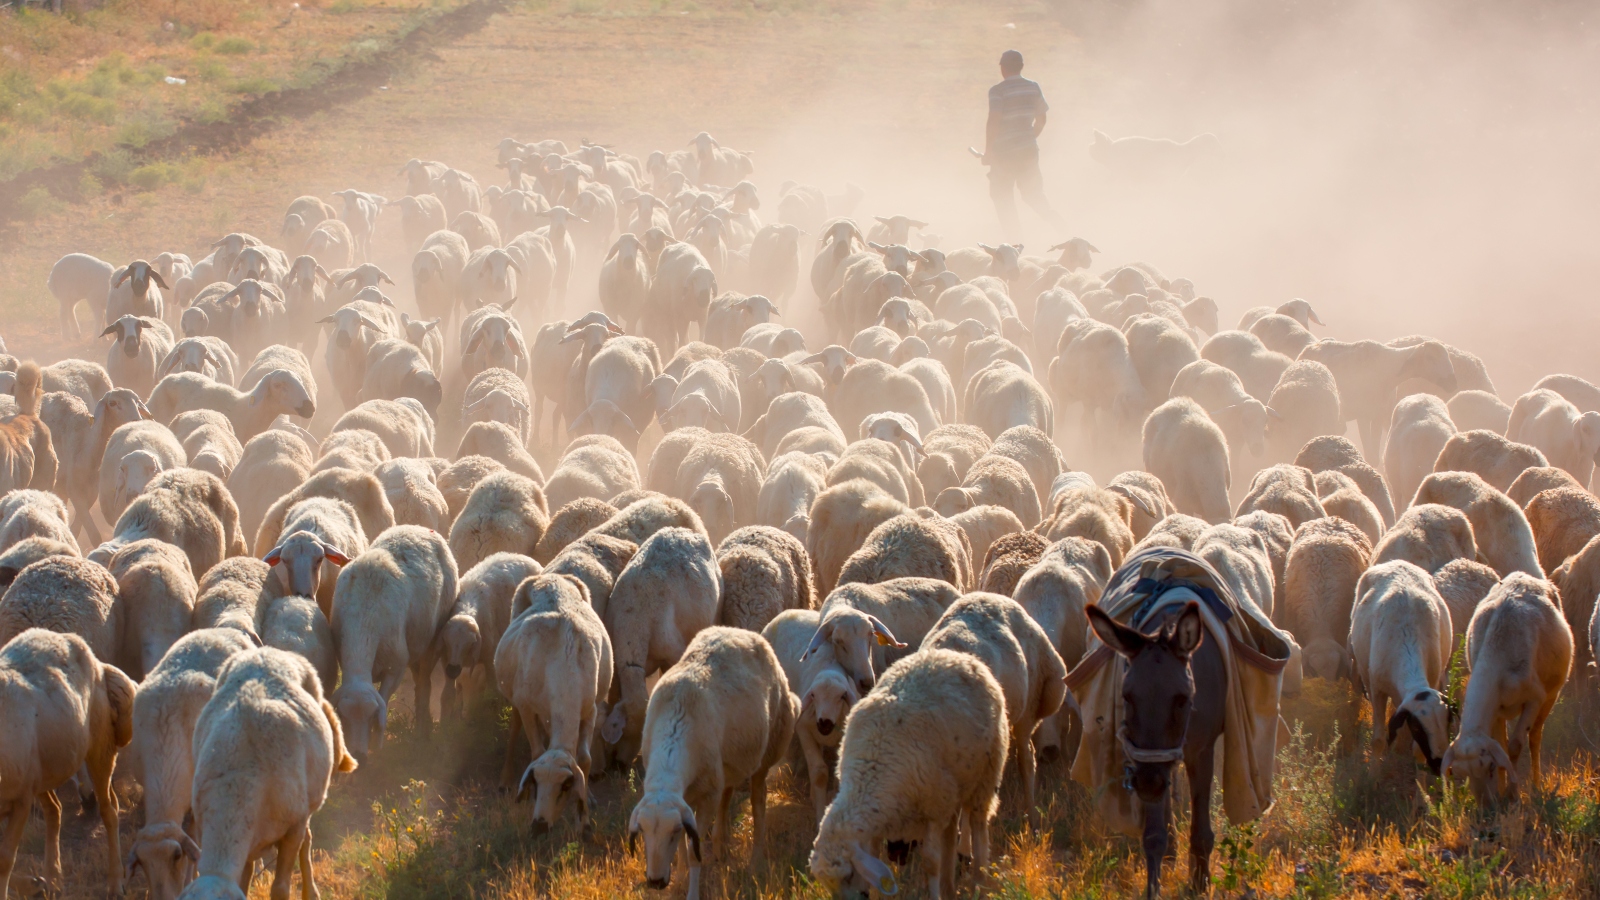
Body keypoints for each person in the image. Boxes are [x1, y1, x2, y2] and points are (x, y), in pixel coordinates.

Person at [982, 49, 1065, 237]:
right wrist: (1029, 138)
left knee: (1002, 196)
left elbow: (993, 121)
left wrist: (989, 151)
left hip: (1004, 154)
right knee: (1033, 194)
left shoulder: (997, 91)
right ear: (1021, 67)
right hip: (1028, 152)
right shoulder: (1033, 87)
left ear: (1002, 68)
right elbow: (1042, 119)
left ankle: (1015, 241)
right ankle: (1057, 223)